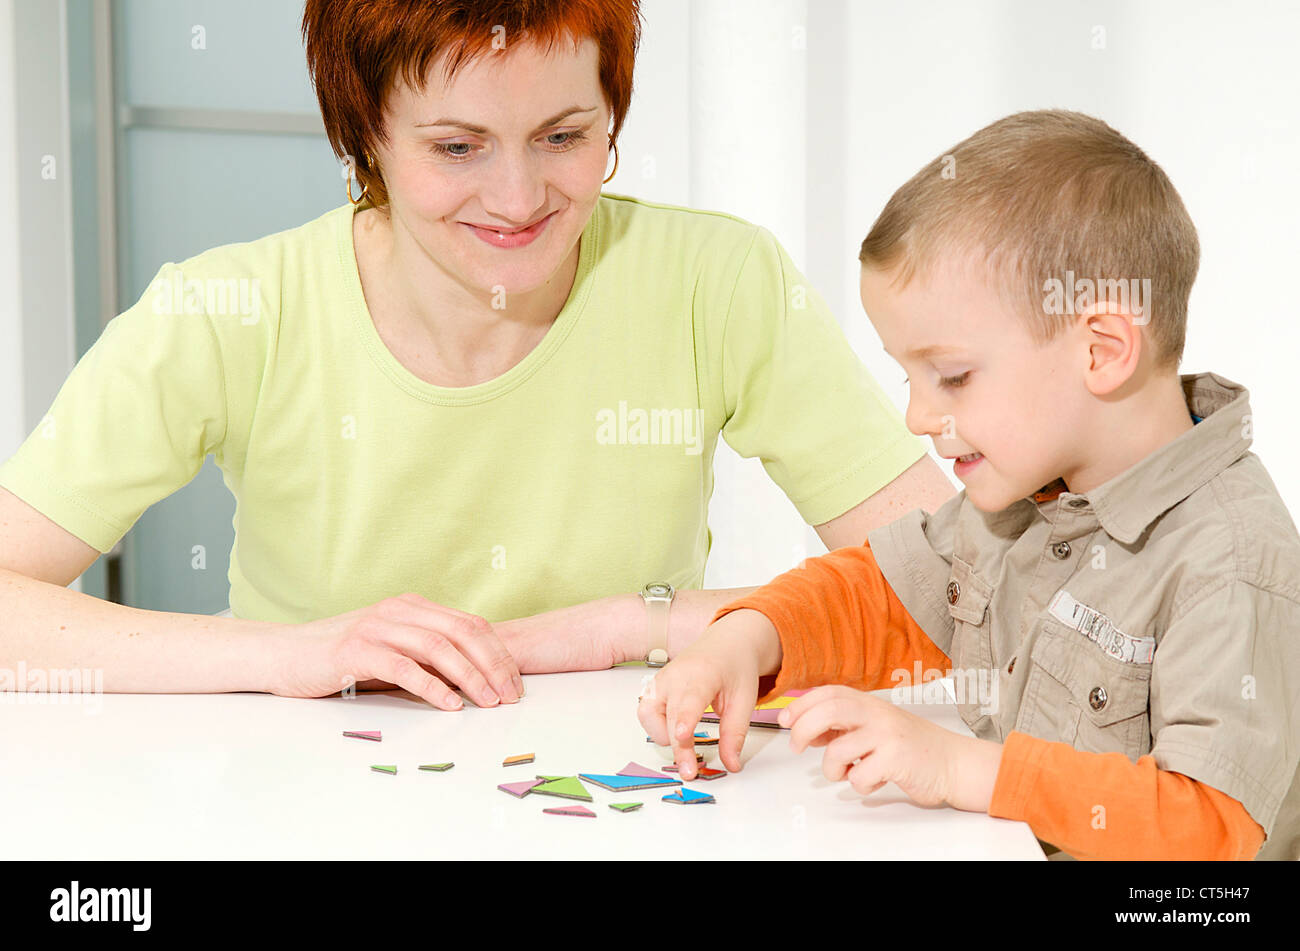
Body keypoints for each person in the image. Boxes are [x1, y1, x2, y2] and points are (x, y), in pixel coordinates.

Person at [0, 0, 954, 710]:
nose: (517, 197)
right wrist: (286, 652)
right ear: (364, 137)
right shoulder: (231, 307)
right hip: (305, 801)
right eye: (458, 147)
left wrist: (622, 625)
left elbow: (962, 584)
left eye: (564, 137)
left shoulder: (718, 280)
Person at [639, 109, 1300, 860]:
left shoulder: (1234, 559)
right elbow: (883, 592)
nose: (919, 415)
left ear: (1104, 350)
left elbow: (1208, 826)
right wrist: (747, 639)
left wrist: (964, 768)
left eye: (952, 376)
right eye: (911, 377)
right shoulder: (1026, 496)